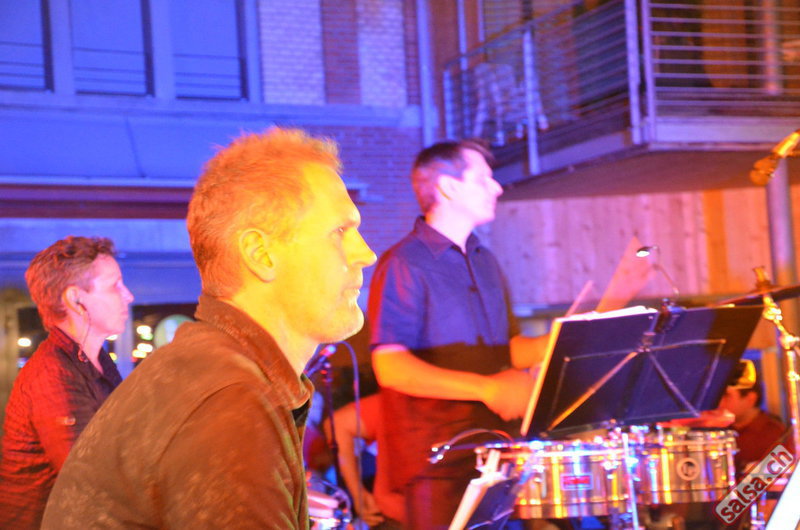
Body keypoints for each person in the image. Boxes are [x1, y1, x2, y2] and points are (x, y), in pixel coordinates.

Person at [42, 128, 377, 528]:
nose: (366, 254)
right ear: (261, 254)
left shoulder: (216, 372)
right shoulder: (229, 400)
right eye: (340, 231)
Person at [367, 139, 546, 529]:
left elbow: (509, 350)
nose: (497, 187)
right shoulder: (405, 262)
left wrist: (571, 337)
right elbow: (391, 367)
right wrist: (488, 388)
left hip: (497, 449)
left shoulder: (485, 260)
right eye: (483, 179)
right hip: (439, 462)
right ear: (448, 187)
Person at [0, 236, 133, 529]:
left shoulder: (97, 361)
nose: (128, 296)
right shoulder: (53, 375)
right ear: (76, 300)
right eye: (114, 286)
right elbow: (92, 481)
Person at [718, 361, 793, 475]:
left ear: (750, 399)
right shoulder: (719, 431)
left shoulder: (775, 434)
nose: (719, 402)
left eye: (726, 395)